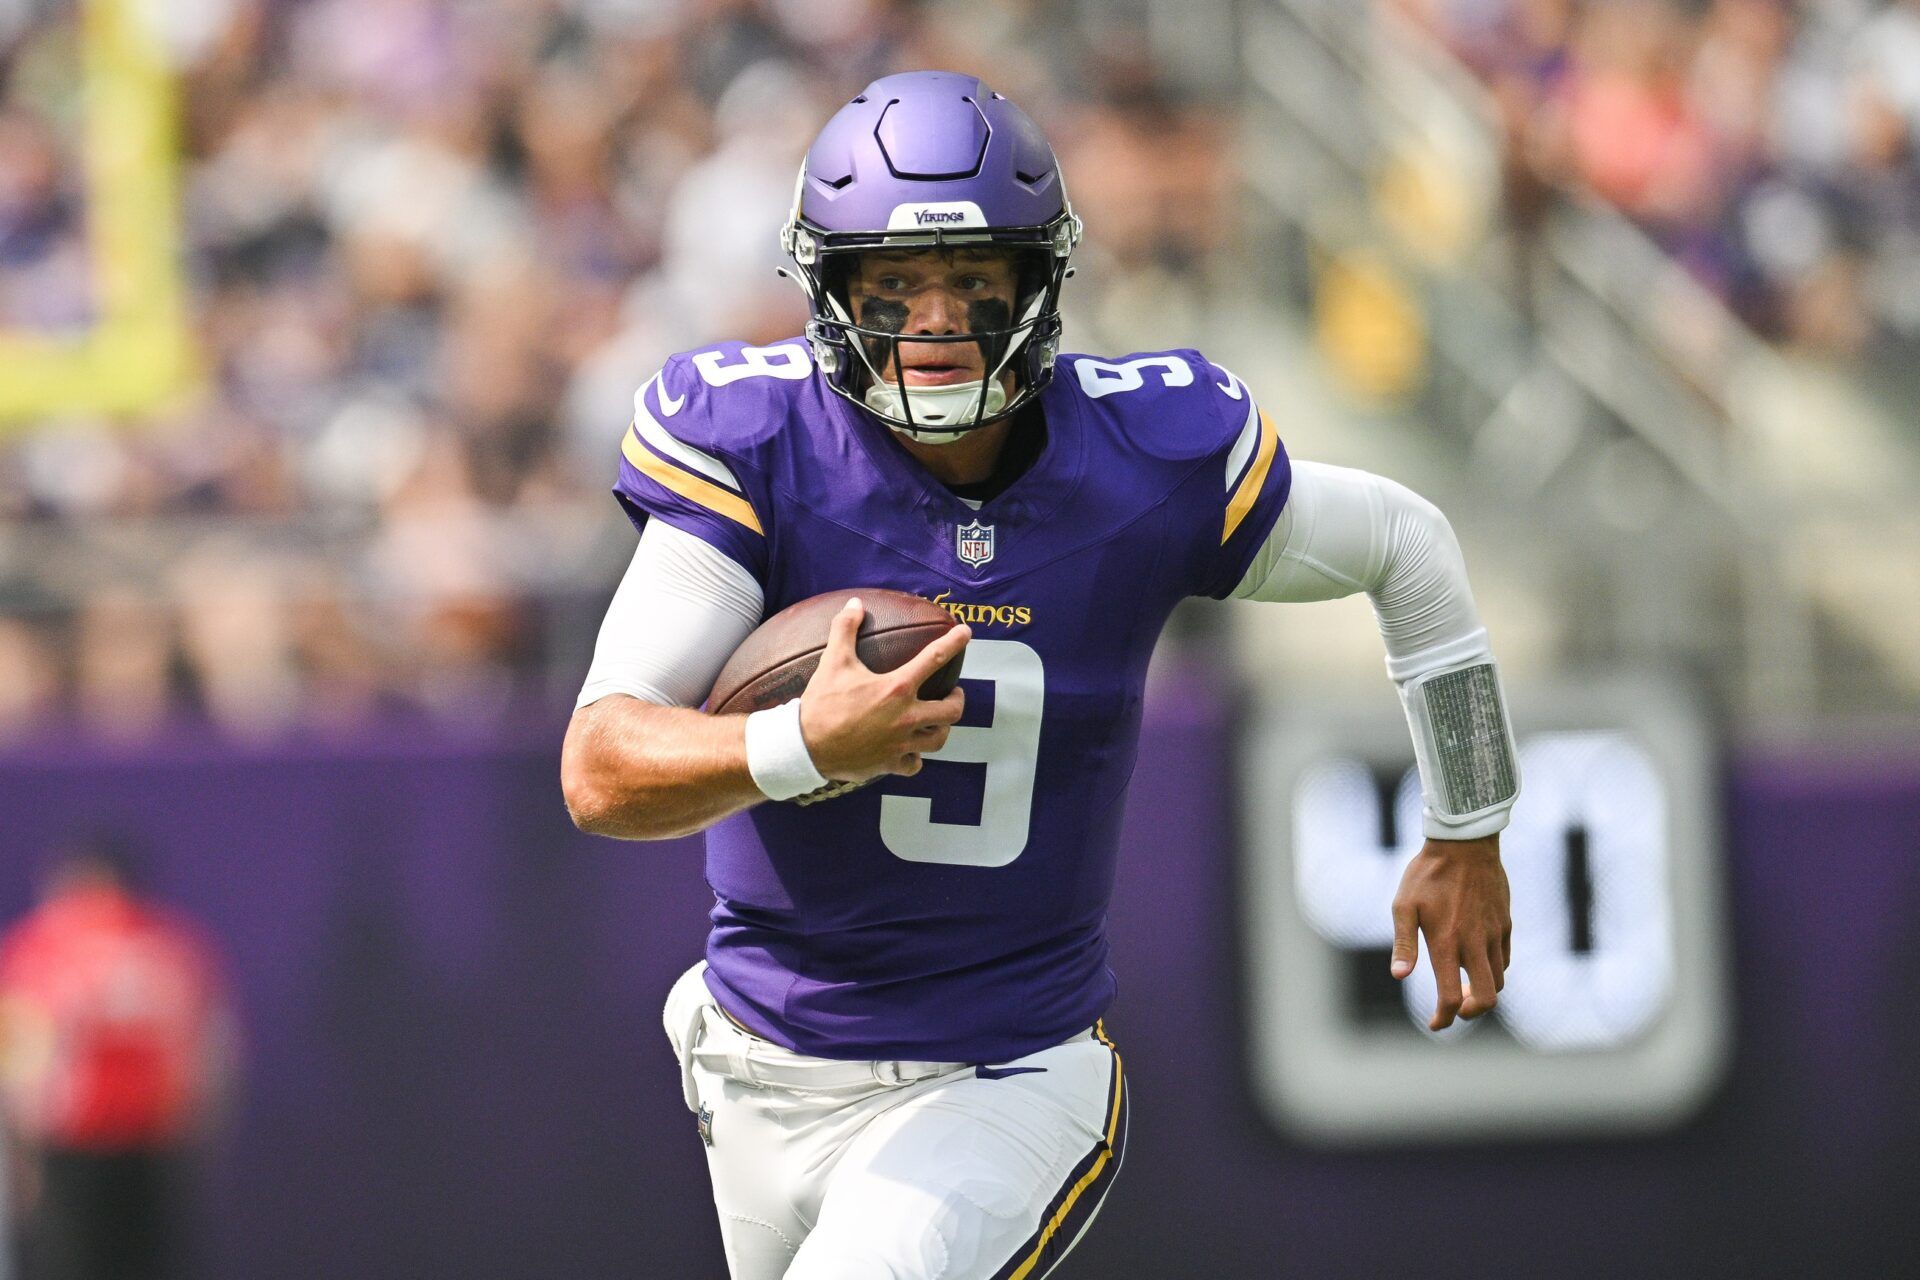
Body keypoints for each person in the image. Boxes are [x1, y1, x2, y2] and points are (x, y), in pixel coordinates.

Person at [562, 71, 1518, 1280]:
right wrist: (801, 743)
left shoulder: (1146, 457)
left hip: (1004, 1075)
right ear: (830, 289)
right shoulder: (757, 447)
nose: (935, 324)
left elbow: (1408, 545)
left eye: (974, 279)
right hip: (756, 1062)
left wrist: (1469, 824)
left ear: (1039, 279)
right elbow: (600, 767)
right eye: (892, 287)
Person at [0, 837, 237, 1280]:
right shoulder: (175, 947)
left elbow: (20, 1064)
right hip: (156, 1147)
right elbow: (214, 1059)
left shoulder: (44, 947)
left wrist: (19, 1155)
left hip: (73, 1149)